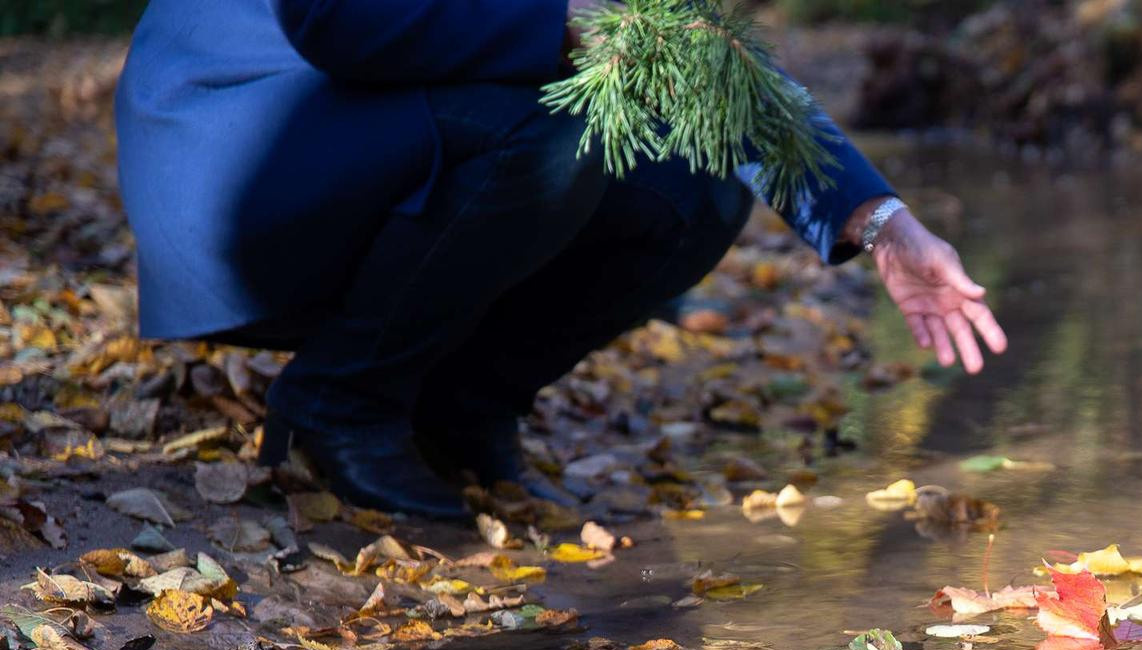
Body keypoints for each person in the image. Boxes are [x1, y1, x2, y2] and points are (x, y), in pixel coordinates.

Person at [114, 0, 1008, 520]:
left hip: (371, 130)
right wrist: (562, 26)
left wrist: (886, 222)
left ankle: (461, 409)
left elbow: (699, 58)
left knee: (698, 180)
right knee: (559, 135)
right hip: (239, 151)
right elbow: (343, 19)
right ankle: (337, 404)